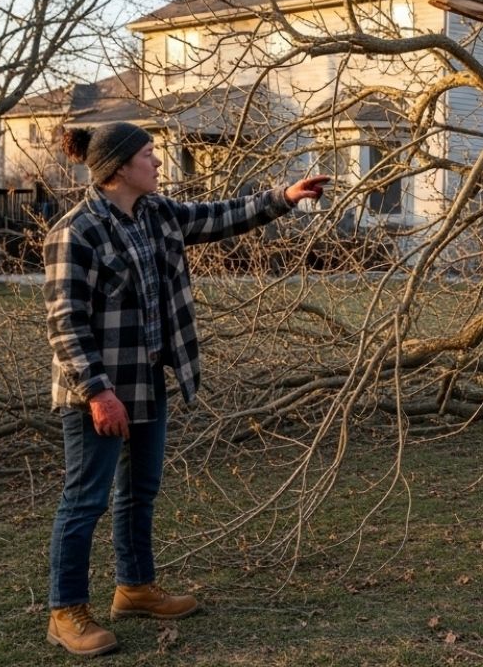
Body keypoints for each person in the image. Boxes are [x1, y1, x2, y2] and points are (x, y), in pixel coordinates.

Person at [42, 122, 328, 656]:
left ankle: (134, 588)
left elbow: (220, 215)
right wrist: (98, 393)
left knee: (140, 492)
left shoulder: (156, 214)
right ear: (121, 167)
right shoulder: (76, 232)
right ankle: (65, 612)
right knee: (85, 500)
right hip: (97, 391)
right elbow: (65, 324)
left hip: (148, 382)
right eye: (148, 155)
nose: (157, 162)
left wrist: (284, 197)